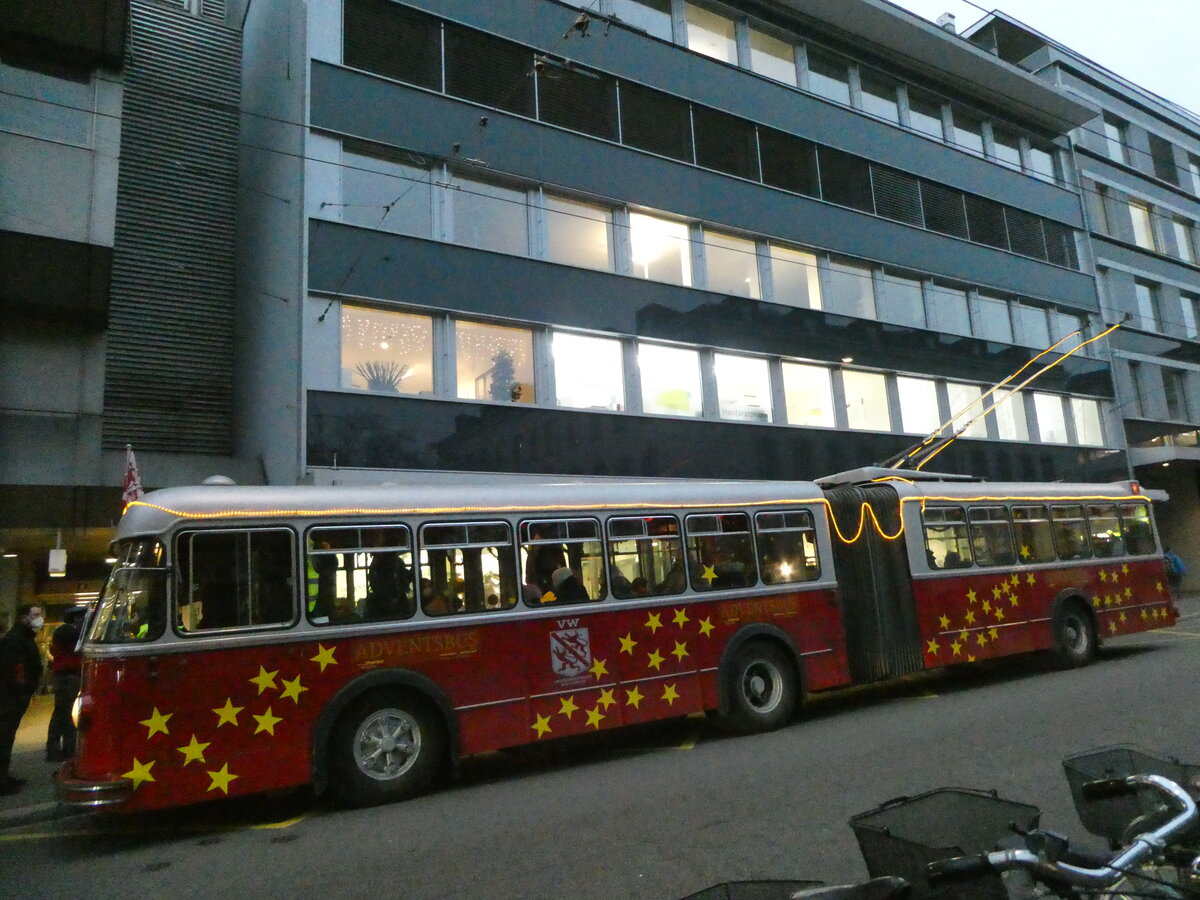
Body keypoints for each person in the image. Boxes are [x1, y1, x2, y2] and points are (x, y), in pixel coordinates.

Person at [0, 605, 45, 795]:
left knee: (7, 736)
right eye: (35, 615)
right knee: (4, 736)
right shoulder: (16, 640)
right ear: (23, 617)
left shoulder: (22, 637)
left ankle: (4, 776)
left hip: (16, 694)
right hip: (11, 696)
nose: (39, 618)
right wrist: (20, 690)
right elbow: (10, 669)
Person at [46, 607, 84, 762]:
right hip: (67, 676)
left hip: (65, 676)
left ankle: (65, 747)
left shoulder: (64, 631)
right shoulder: (68, 632)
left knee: (63, 713)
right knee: (63, 714)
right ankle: (57, 749)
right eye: (82, 617)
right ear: (75, 618)